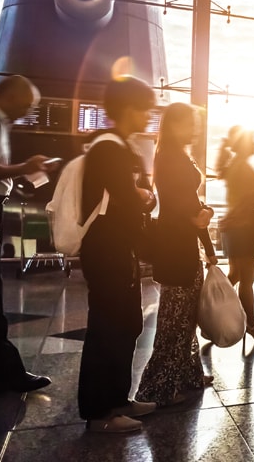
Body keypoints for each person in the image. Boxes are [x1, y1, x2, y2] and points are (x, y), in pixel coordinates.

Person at [78, 76, 158, 433]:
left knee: (127, 324)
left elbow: (136, 195)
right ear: (129, 108)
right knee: (108, 328)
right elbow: (128, 198)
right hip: (106, 249)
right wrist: (142, 197)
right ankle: (99, 412)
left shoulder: (118, 146)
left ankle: (118, 399)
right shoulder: (108, 147)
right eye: (145, 108)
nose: (148, 115)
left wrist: (142, 196)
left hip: (116, 248)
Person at [136, 103, 216, 407]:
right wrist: (199, 217)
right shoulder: (171, 157)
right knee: (175, 319)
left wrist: (204, 230)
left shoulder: (174, 155)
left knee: (184, 316)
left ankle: (187, 375)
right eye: (190, 123)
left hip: (180, 243)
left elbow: (189, 203)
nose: (195, 129)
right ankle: (156, 387)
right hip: (176, 246)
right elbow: (181, 205)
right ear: (175, 125)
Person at [0, 75, 58, 394]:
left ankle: (2, 368)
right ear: (12, 95)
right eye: (27, 103)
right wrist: (23, 167)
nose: (29, 110)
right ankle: (5, 371)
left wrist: (16, 178)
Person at [216, 126, 254, 345]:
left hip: (233, 229)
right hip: (243, 230)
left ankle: (212, 315)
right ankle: (251, 325)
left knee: (236, 275)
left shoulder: (233, 166)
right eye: (253, 139)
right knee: (246, 281)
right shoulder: (244, 168)